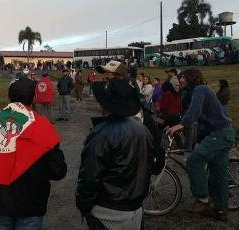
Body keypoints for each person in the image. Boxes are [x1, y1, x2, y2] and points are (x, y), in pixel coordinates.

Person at [0, 77, 67, 230]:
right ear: (34, 97)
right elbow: (58, 171)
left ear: (9, 96)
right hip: (31, 205)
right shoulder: (43, 126)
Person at [76, 78, 154, 230]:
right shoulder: (142, 130)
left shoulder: (101, 134)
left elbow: (90, 176)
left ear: (104, 105)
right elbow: (150, 166)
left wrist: (84, 205)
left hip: (107, 210)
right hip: (136, 208)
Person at [168, 68, 235, 222]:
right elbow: (203, 119)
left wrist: (182, 125)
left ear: (191, 77)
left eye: (182, 77)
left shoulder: (200, 89)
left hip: (219, 135)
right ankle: (220, 211)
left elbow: (194, 112)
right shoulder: (199, 91)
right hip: (224, 134)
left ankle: (202, 199)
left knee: (193, 161)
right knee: (219, 175)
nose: (180, 80)